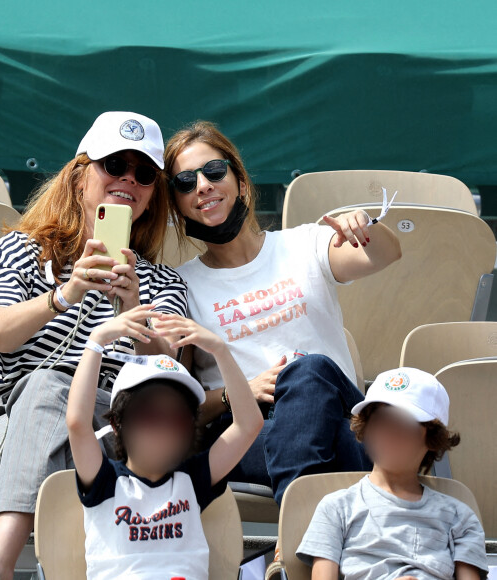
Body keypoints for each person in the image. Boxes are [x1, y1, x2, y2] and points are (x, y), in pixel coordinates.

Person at [0, 112, 188, 580]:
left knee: (86, 425)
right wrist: (65, 295)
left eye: (144, 174)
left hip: (112, 422)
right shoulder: (23, 250)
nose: (128, 179)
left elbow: (170, 367)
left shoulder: (163, 283)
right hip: (7, 418)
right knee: (47, 386)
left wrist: (133, 309)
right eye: (113, 165)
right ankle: (1, 566)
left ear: (151, 196)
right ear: (80, 176)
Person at [163, 121, 402, 506]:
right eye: (185, 182)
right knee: (339, 438)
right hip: (249, 428)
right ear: (176, 205)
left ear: (240, 182)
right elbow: (182, 403)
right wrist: (238, 392)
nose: (202, 186)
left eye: (213, 171)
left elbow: (385, 255)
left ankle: (293, 544)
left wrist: (365, 227)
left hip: (333, 409)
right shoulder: (181, 286)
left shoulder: (304, 243)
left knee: (309, 371)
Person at [66, 307, 263, 580]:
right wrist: (97, 340)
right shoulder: (105, 481)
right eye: (149, 417)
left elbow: (248, 425)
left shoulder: (192, 480)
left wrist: (220, 350)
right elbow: (77, 423)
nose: (165, 430)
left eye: (178, 420)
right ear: (117, 424)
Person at [297, 367, 488, 580]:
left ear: (432, 439)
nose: (390, 435)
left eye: (405, 425)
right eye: (381, 422)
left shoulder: (460, 518)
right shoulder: (336, 508)